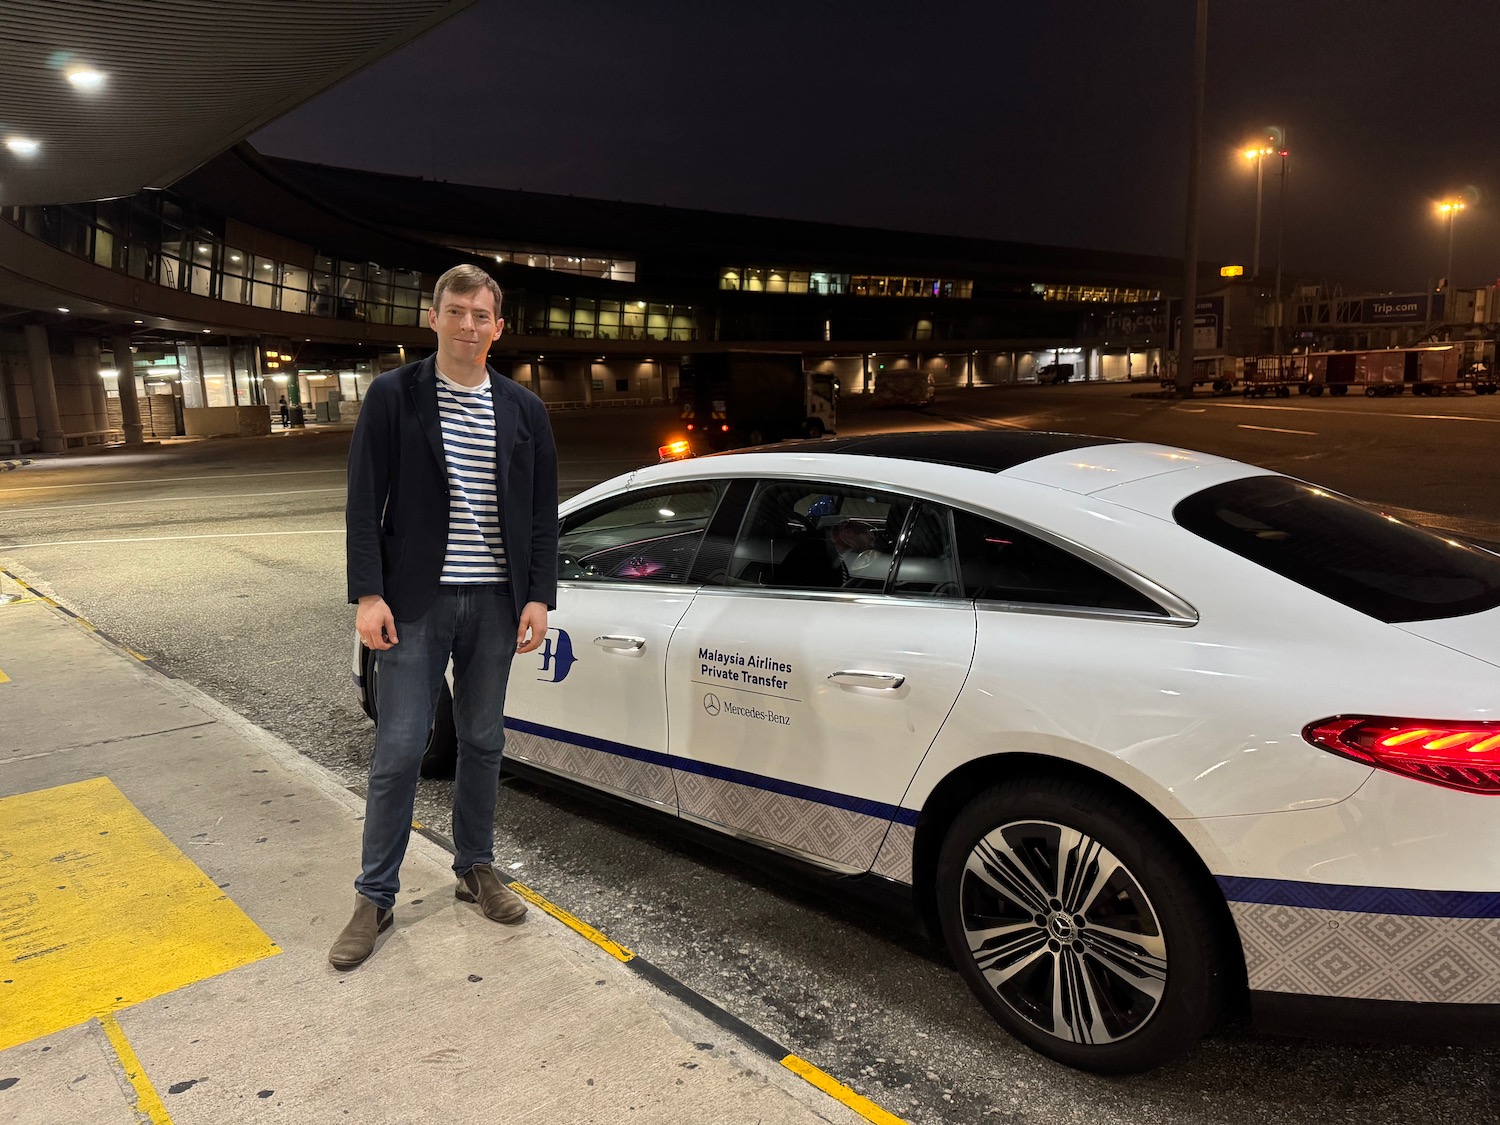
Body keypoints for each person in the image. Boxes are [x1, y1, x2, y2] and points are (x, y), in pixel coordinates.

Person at [332, 263, 558, 970]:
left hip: (495, 599)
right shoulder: (395, 396)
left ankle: (476, 868)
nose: (467, 324)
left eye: (480, 314)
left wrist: (538, 595)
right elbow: (364, 500)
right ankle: (375, 894)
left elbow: (541, 513)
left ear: (498, 324)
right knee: (399, 746)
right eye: (455, 311)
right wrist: (368, 595)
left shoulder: (524, 408)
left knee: (484, 739)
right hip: (414, 602)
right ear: (433, 318)